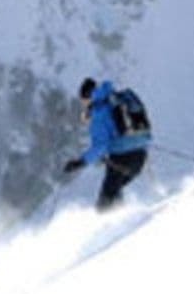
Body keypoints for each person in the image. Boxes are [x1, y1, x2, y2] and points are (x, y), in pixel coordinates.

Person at [63, 78, 150, 211]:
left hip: (121, 159)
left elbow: (100, 145)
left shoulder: (98, 111)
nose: (83, 106)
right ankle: (123, 218)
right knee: (115, 191)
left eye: (83, 101)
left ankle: (115, 226)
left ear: (87, 97)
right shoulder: (118, 98)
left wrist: (80, 162)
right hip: (141, 156)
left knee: (105, 203)